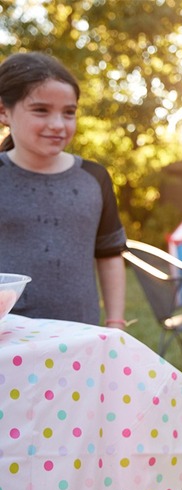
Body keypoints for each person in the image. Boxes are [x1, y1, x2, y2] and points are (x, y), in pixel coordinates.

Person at [0, 52, 127, 329]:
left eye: (69, 112)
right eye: (41, 110)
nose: (58, 125)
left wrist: (116, 322)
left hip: (80, 337)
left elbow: (109, 254)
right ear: (3, 112)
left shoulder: (94, 178)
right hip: (6, 340)